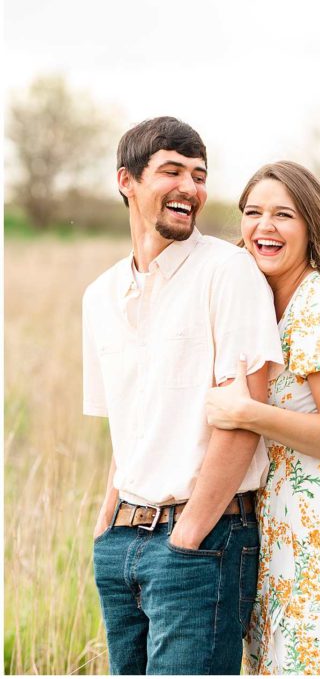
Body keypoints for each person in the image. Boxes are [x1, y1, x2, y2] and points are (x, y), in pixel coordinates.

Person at [84, 117, 283, 674]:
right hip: (122, 542)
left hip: (203, 543)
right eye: (172, 171)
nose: (190, 189)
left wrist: (189, 535)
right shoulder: (99, 297)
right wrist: (106, 528)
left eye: (199, 175)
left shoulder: (229, 272)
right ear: (126, 181)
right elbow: (127, 428)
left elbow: (244, 417)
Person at [204, 161, 320, 674]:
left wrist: (249, 412)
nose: (264, 226)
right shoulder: (259, 301)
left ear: (310, 225)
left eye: (283, 214)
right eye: (252, 212)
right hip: (273, 540)